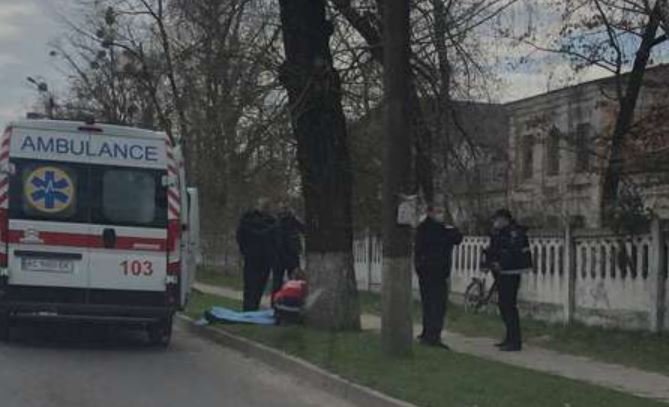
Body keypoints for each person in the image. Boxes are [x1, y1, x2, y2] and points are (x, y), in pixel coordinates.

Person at [414, 204, 463, 349]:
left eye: (442, 211)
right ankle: (433, 336)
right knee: (437, 305)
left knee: (429, 304)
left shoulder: (425, 228)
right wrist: (453, 224)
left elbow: (457, 238)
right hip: (436, 272)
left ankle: (427, 333)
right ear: (430, 213)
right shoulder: (437, 229)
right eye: (438, 212)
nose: (441, 214)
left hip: (428, 272)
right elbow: (456, 237)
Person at [486, 209, 532, 352]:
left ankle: (515, 341)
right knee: (503, 305)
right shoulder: (499, 233)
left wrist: (501, 263)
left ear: (504, 219)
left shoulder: (514, 233)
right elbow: (494, 250)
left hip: (511, 273)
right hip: (501, 273)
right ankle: (509, 338)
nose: (495, 222)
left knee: (508, 306)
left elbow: (512, 253)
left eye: (497, 219)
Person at [236, 198, 278, 311]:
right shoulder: (268, 222)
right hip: (256, 256)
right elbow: (240, 236)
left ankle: (250, 308)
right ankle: (250, 308)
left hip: (259, 257)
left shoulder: (270, 221)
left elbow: (240, 236)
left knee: (255, 286)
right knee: (253, 285)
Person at [272, 204, 305, 294]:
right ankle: (291, 297)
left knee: (278, 281)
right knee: (293, 281)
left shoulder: (277, 221)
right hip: (290, 254)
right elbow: (304, 229)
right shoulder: (291, 221)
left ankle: (277, 299)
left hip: (281, 255)